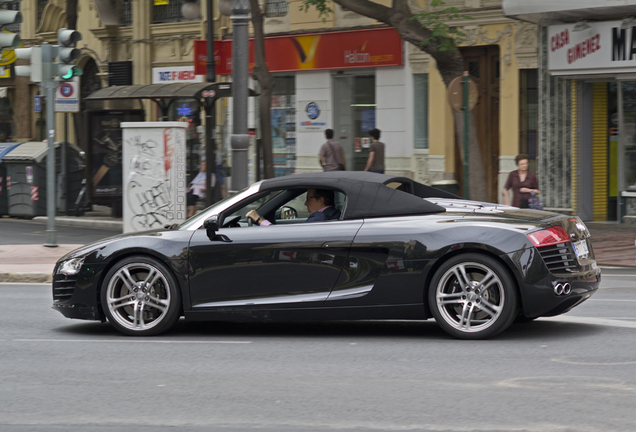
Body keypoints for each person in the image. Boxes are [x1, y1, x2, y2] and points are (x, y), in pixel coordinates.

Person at [246, 189, 340, 226]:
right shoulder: (334, 214)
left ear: (321, 200)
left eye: (308, 198)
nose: (305, 203)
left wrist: (259, 219)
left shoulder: (319, 218)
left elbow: (284, 237)